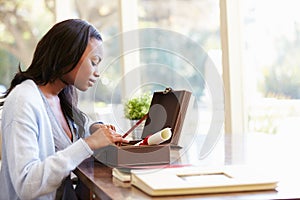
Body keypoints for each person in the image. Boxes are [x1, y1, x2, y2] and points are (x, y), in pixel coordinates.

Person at [0, 19, 128, 200]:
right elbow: (27, 184)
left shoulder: (60, 98)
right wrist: (89, 143)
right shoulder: (23, 101)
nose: (97, 72)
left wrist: (95, 128)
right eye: (94, 62)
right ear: (68, 54)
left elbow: (77, 129)